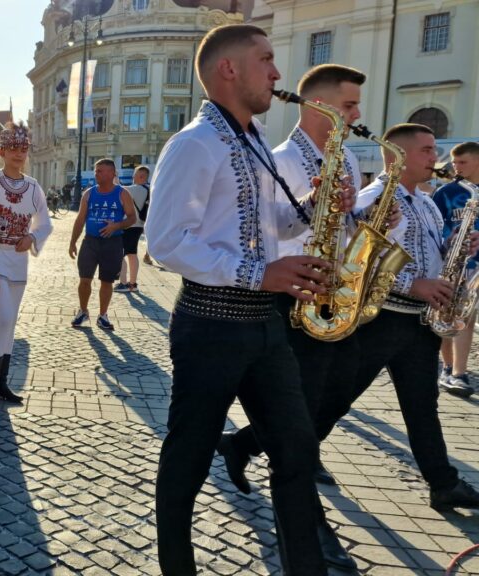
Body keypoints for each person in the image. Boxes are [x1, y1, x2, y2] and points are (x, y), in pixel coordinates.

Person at [146, 24, 358, 574]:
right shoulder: (193, 143)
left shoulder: (256, 137)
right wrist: (258, 272)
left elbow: (269, 224)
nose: (277, 72)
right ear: (229, 69)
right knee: (188, 457)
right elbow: (165, 242)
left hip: (266, 325)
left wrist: (316, 203)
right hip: (210, 325)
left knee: (296, 452)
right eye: (265, 59)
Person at [214, 63, 368, 572]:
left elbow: (343, 228)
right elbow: (267, 236)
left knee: (320, 406)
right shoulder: (281, 160)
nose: (356, 114)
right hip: (292, 301)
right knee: (299, 422)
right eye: (348, 105)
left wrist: (363, 219)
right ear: (319, 105)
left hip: (330, 295)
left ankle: (240, 446)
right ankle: (308, 531)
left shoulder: (342, 162)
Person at [313, 124, 479, 513]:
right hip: (380, 318)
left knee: (423, 404)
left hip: (418, 323)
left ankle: (443, 484)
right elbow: (360, 260)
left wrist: (459, 245)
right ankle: (253, 445)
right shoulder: (377, 197)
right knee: (337, 397)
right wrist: (414, 284)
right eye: (426, 150)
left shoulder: (424, 201)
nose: (434, 159)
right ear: (398, 157)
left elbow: (429, 253)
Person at [0, 122, 53, 409]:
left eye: (23, 149)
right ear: (2, 151)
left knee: (10, 323)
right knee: (2, 317)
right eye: (13, 149)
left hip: (18, 262)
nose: (19, 154)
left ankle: (1, 384)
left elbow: (46, 222)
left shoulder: (33, 187)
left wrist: (31, 236)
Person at [431, 141, 479, 397]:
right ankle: (448, 367)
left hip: (477, 266)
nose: (456, 168)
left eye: (463, 162)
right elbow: (434, 227)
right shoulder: (446, 193)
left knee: (467, 319)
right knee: (448, 317)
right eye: (454, 162)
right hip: (454, 263)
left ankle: (459, 372)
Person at [67, 159, 136, 330]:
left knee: (107, 281)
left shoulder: (122, 194)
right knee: (84, 280)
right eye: (96, 170)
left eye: (101, 171)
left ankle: (102, 315)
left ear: (112, 174)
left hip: (112, 243)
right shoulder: (89, 194)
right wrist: (73, 242)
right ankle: (83, 311)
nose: (96, 173)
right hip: (90, 242)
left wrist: (116, 226)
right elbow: (80, 219)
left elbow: (132, 218)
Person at [116, 165, 150, 293]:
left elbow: (118, 190)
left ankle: (123, 283)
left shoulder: (136, 189)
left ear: (141, 176)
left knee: (120, 253)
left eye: (134, 174)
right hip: (139, 225)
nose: (133, 177)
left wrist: (115, 177)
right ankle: (133, 284)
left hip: (129, 226)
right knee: (132, 254)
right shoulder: (150, 189)